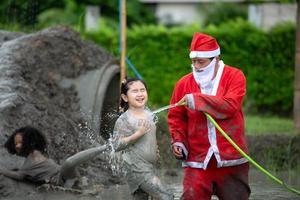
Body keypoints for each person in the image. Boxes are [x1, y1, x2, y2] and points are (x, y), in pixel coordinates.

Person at [168, 32, 251, 200]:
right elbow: (176, 116)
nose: (196, 66)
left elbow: (230, 105)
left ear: (216, 59)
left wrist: (198, 100)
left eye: (201, 62)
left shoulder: (235, 76)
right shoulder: (183, 83)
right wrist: (179, 140)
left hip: (231, 159)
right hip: (197, 161)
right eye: (193, 61)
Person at [112, 77, 173, 200]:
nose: (140, 94)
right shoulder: (124, 119)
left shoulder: (149, 115)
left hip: (149, 166)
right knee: (166, 195)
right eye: (135, 91)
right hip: (135, 167)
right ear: (125, 97)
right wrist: (137, 134)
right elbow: (116, 144)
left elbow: (150, 138)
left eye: (142, 90)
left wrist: (155, 150)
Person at [0, 126, 107, 188]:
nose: (17, 146)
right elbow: (19, 175)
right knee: (69, 163)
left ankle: (106, 147)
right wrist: (2, 170)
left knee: (69, 163)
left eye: (20, 142)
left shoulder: (38, 153)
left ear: (29, 141)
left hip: (67, 176)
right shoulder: (27, 166)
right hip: (62, 181)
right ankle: (106, 147)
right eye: (15, 144)